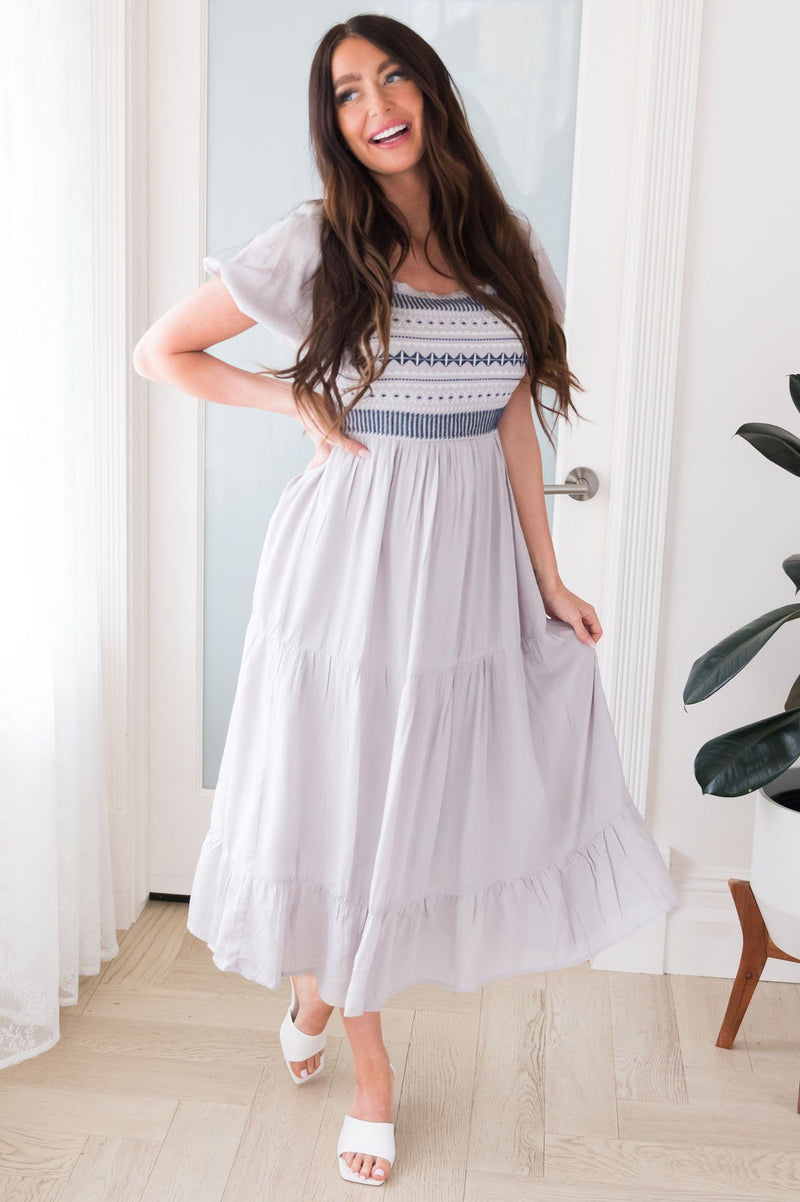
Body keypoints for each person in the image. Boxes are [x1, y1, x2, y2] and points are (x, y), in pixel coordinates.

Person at [133, 13, 678, 1188]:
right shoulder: (318, 241)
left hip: (463, 574)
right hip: (346, 568)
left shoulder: (502, 244)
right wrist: (294, 402)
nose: (373, 106)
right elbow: (160, 352)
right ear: (331, 122)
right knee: (346, 802)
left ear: (428, 92)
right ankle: (371, 1073)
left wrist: (547, 575)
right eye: (346, 92)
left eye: (389, 79)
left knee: (406, 809)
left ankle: (314, 992)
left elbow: (511, 418)